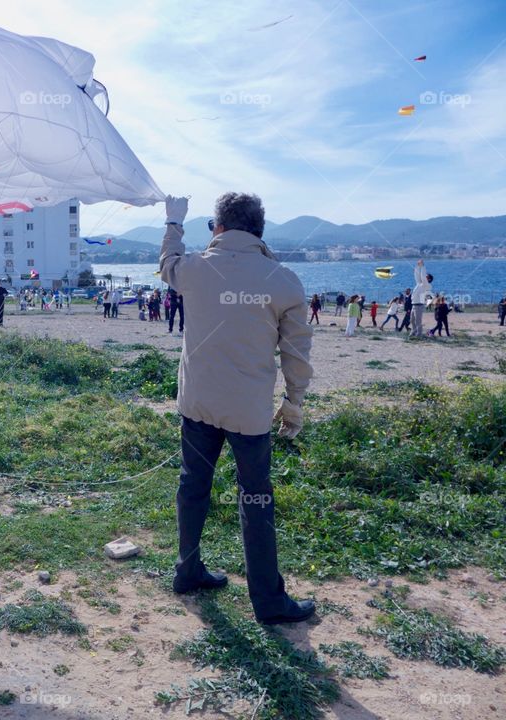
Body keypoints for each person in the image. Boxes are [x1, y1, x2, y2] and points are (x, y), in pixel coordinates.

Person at [161, 192, 315, 625]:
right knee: (257, 497)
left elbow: (168, 263)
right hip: (249, 411)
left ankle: (187, 570)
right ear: (258, 230)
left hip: (198, 401)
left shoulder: (194, 268)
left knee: (193, 486)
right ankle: (268, 601)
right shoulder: (283, 279)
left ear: (219, 227)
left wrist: (174, 222)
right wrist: (294, 401)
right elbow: (296, 352)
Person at [411, 260, 432, 337]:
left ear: (428, 279)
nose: (425, 276)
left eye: (427, 277)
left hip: (419, 305)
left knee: (417, 321)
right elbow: (418, 277)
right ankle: (414, 331)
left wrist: (422, 266)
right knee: (412, 320)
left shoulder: (427, 285)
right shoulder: (420, 283)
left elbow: (422, 276)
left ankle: (419, 334)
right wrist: (417, 267)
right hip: (414, 304)